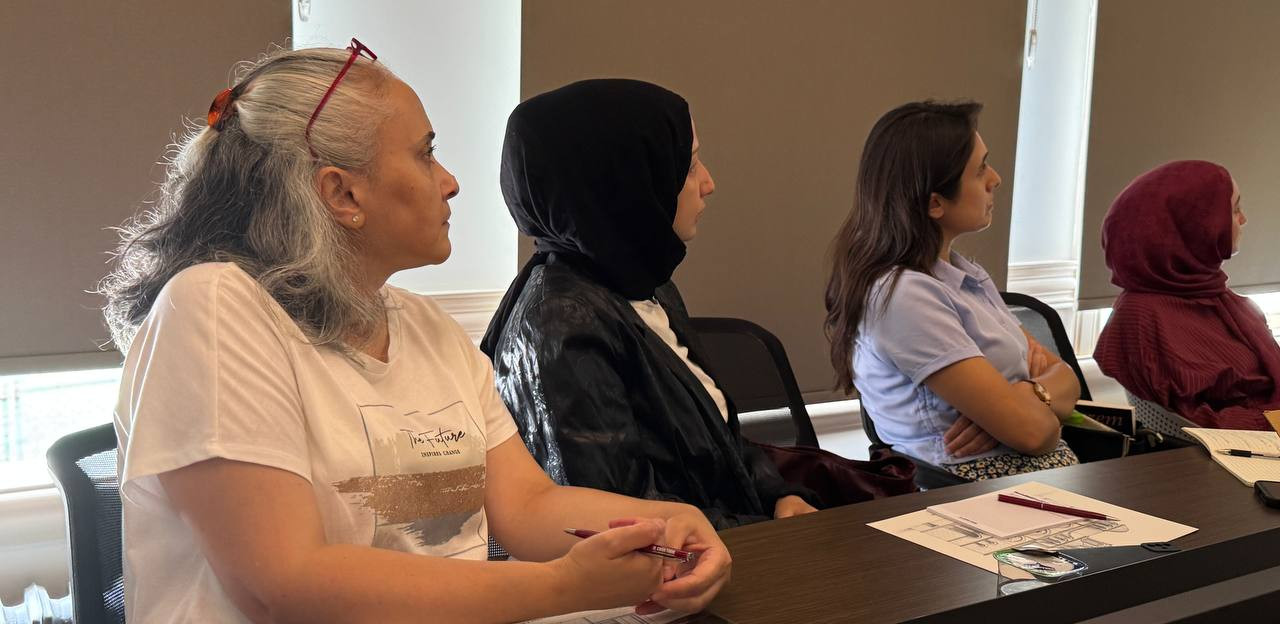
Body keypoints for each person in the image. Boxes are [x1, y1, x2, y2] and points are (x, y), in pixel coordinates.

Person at [100, 43, 730, 623]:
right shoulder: (214, 308)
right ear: (342, 194)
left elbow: (527, 506)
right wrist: (562, 586)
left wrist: (667, 523)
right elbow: (286, 584)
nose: (450, 181)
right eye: (426, 153)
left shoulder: (426, 326)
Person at [480, 79, 819, 528]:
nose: (709, 183)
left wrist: (781, 495)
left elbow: (716, 435)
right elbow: (621, 518)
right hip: (682, 562)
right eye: (688, 165)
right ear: (627, 181)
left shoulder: (645, 286)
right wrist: (770, 535)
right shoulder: (559, 326)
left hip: (732, 542)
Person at [823, 100, 1081, 480]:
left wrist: (1024, 398)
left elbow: (1068, 377)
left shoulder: (963, 275)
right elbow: (1032, 433)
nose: (995, 179)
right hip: (965, 488)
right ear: (935, 203)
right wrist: (1037, 409)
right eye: (980, 170)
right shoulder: (903, 296)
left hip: (1031, 478)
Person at [1094, 160, 1280, 429]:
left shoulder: (1209, 291)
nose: (1243, 219)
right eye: (1234, 209)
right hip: (1246, 444)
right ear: (1195, 225)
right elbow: (1196, 423)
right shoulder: (1143, 316)